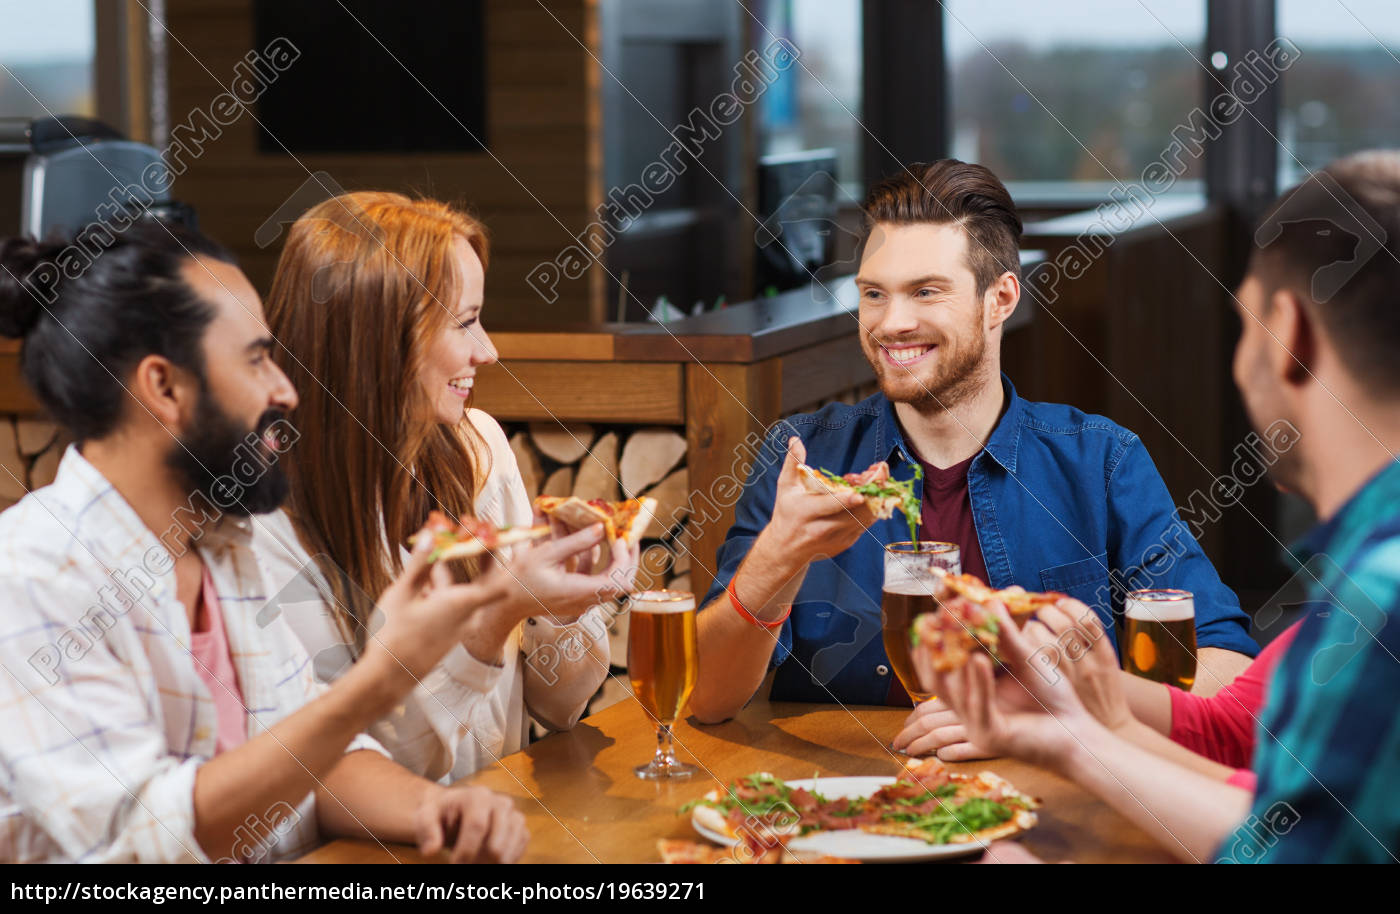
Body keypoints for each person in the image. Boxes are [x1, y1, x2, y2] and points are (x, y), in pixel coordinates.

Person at [0, 217, 544, 863]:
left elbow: (316, 763)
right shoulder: (34, 574)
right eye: (257, 359)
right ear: (163, 387)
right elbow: (149, 840)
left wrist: (436, 809)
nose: (285, 390)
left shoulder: (221, 550)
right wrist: (377, 680)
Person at [919, 150, 1400, 863]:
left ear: (1288, 333)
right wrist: (1079, 731)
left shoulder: (1377, 596)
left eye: (1244, 328)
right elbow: (1276, 799)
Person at [689, 159, 1256, 736]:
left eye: (926, 291)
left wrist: (1037, 715)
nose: (891, 323)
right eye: (874, 294)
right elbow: (709, 699)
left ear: (1000, 299)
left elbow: (1227, 664)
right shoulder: (803, 458)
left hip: (1050, 807)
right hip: (849, 807)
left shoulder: (1102, 461)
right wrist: (777, 556)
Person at [252, 191, 633, 782]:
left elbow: (559, 708)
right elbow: (353, 780)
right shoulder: (264, 526)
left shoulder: (479, 447)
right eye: (465, 322)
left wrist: (565, 607)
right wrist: (493, 621)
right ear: (376, 342)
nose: (489, 351)